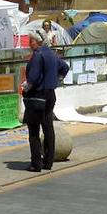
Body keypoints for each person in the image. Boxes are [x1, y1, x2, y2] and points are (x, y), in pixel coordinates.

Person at [21, 28, 69, 172]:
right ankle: (48, 161)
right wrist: (56, 79)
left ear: (39, 41)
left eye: (32, 41)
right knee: (48, 127)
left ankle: (36, 163)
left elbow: (33, 78)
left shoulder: (38, 55)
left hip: (37, 96)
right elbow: (65, 67)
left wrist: (25, 88)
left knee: (34, 130)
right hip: (50, 94)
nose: (30, 44)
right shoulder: (52, 54)